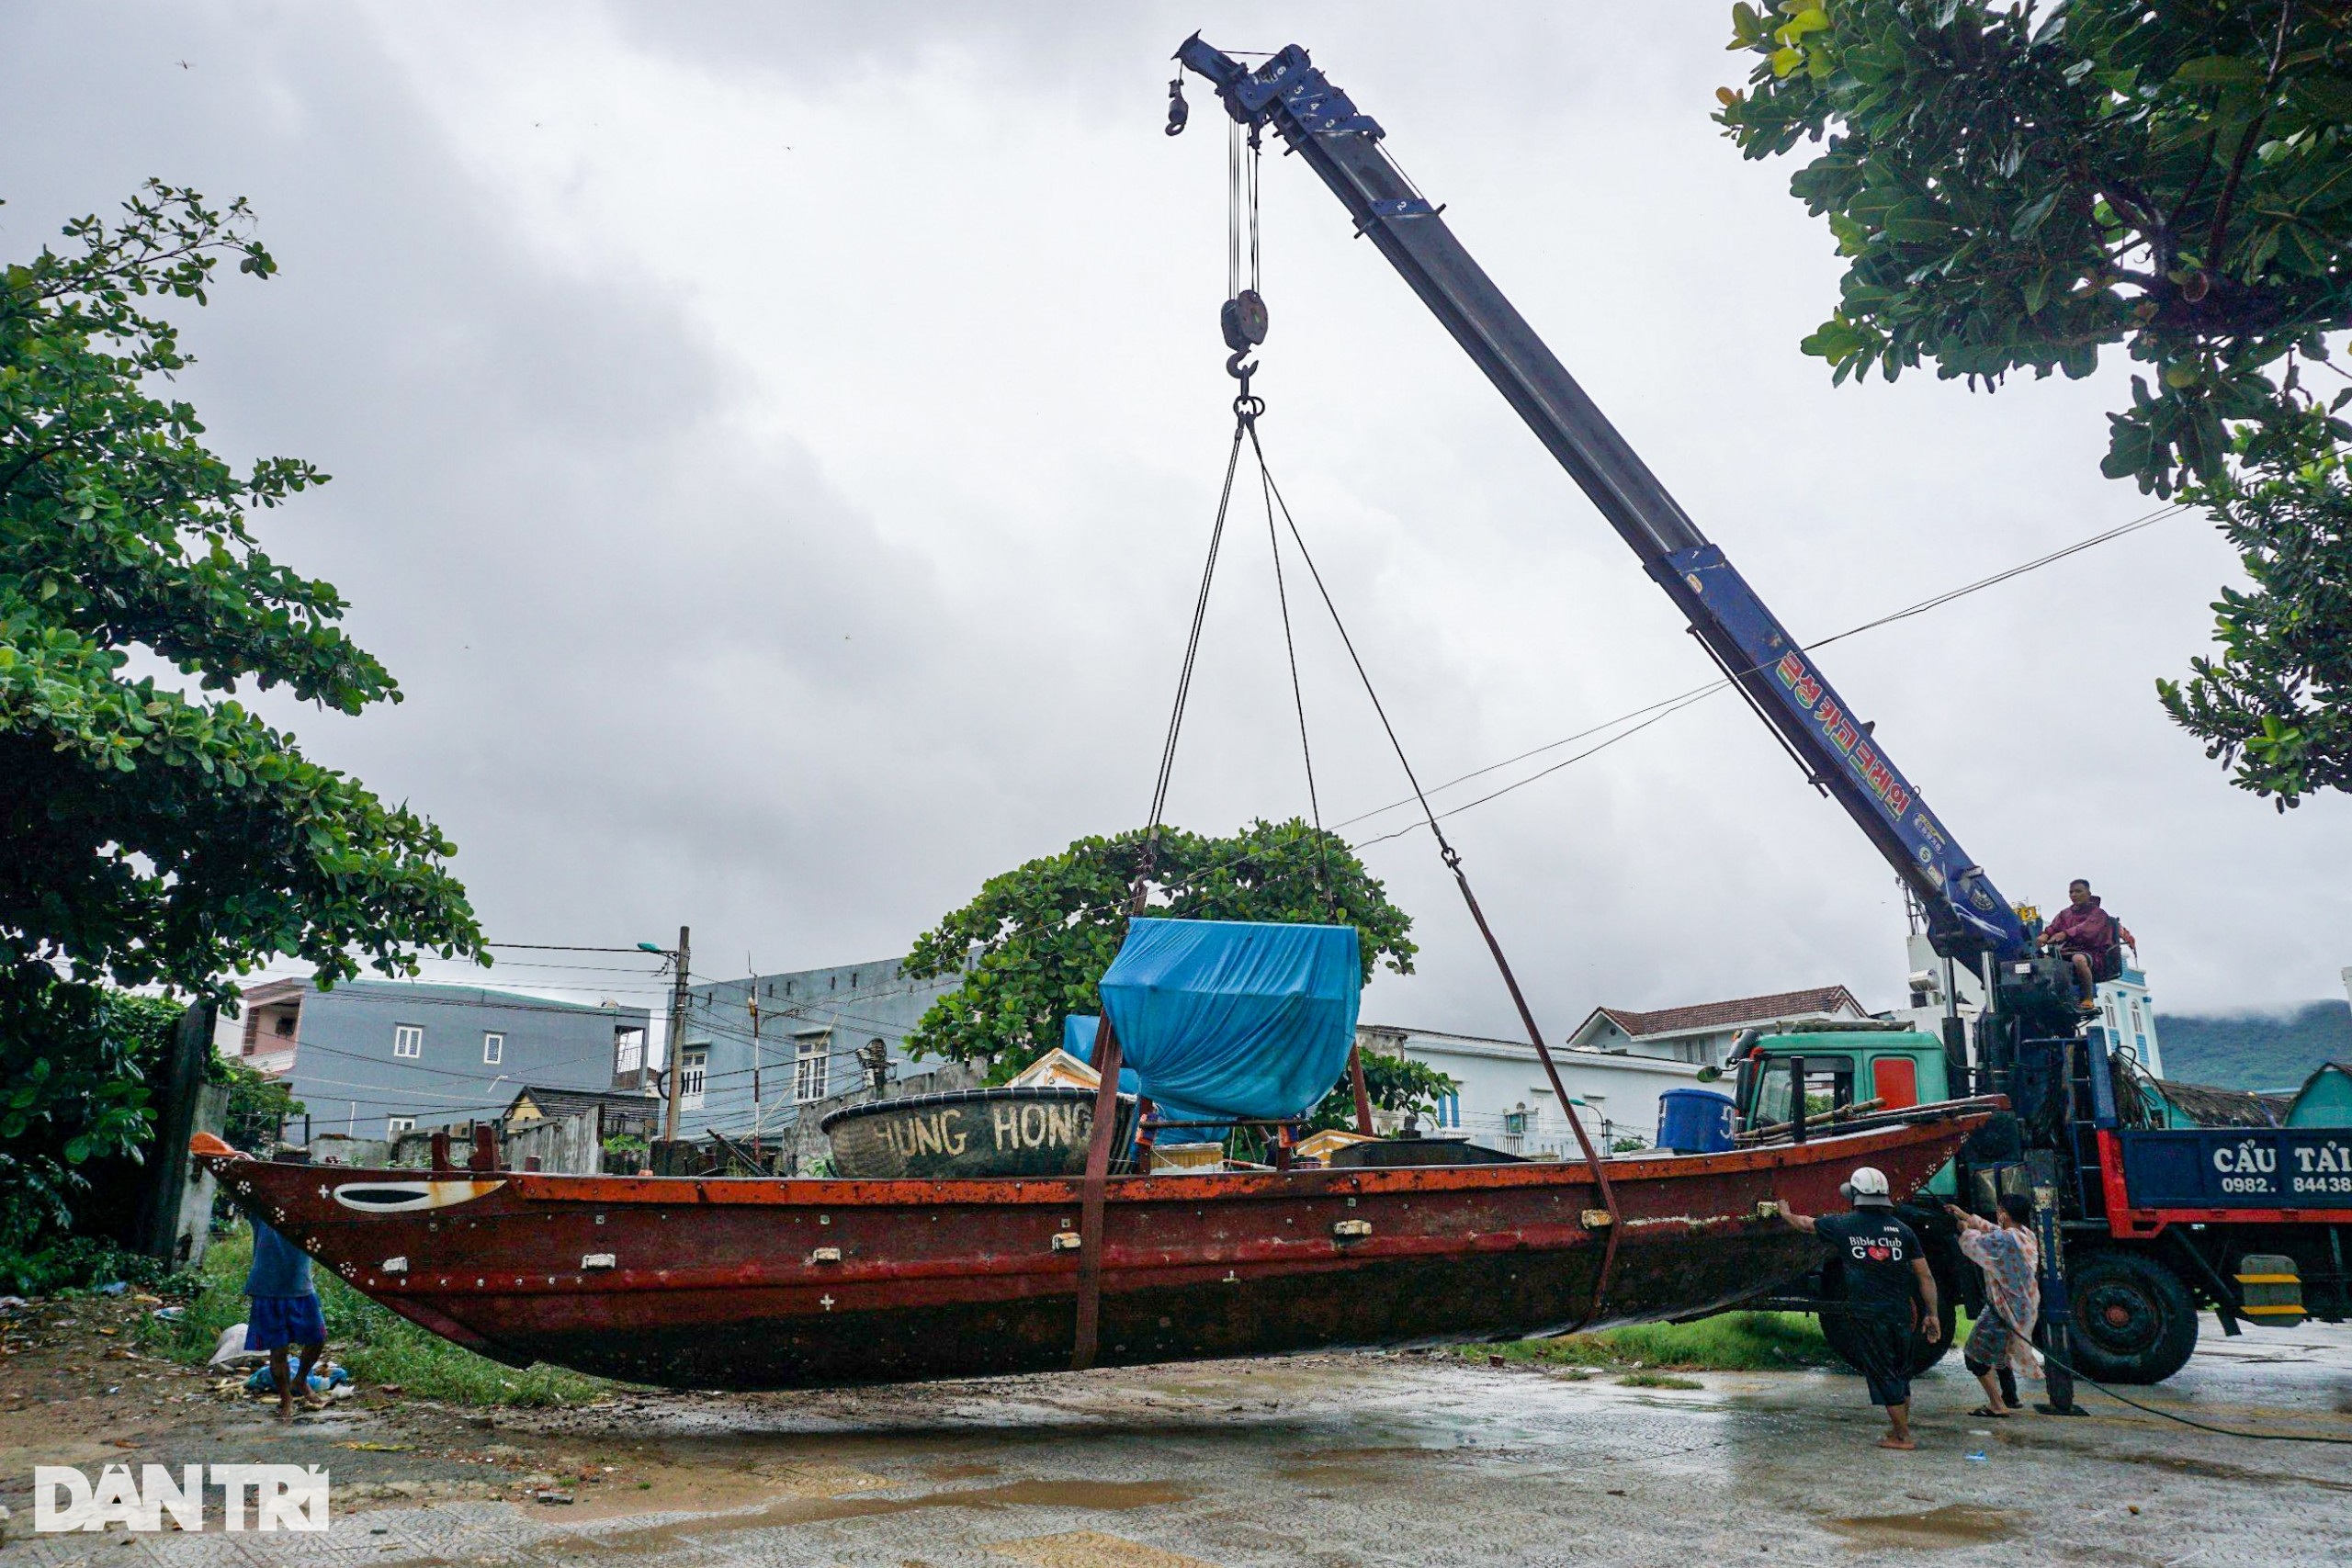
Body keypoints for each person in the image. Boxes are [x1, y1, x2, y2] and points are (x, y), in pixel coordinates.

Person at [1780, 1166, 1941, 1450]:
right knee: (1901, 1371)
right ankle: (1898, 1429)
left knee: (1883, 1373)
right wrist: (1932, 1314)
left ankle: (1903, 1436)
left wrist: (1784, 1211)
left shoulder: (1843, 1225)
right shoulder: (1902, 1231)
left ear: (1856, 1196)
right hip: (1902, 1313)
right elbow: (1925, 1275)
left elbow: (1805, 1224)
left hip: (1869, 1314)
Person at [1945, 1194, 2041, 1417]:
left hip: (2003, 1309)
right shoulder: (2025, 1235)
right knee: (2000, 1352)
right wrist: (1963, 1214)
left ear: (2004, 1215)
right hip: (2022, 1307)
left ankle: (1997, 1405)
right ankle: (2010, 1397)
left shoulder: (2006, 1240)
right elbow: (1992, 1230)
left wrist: (1963, 1228)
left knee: (1974, 1357)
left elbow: (1974, 1243)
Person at [244, 1216, 328, 1420]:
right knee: (278, 1350)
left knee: (317, 1339)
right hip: (267, 1291)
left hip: (301, 1287)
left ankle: (300, 1379)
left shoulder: (306, 1212)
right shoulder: (261, 1212)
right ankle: (286, 1398)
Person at [2037, 880, 2136, 1008]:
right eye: (2071, 892)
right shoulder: (2065, 914)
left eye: (2078, 891)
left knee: (2078, 959)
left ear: (2088, 894)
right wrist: (2044, 936)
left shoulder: (2099, 914)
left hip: (2093, 954)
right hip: (2066, 952)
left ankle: (2087, 998)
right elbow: (2053, 928)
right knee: (2041, 960)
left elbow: (2087, 929)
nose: (2074, 895)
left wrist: (2065, 934)